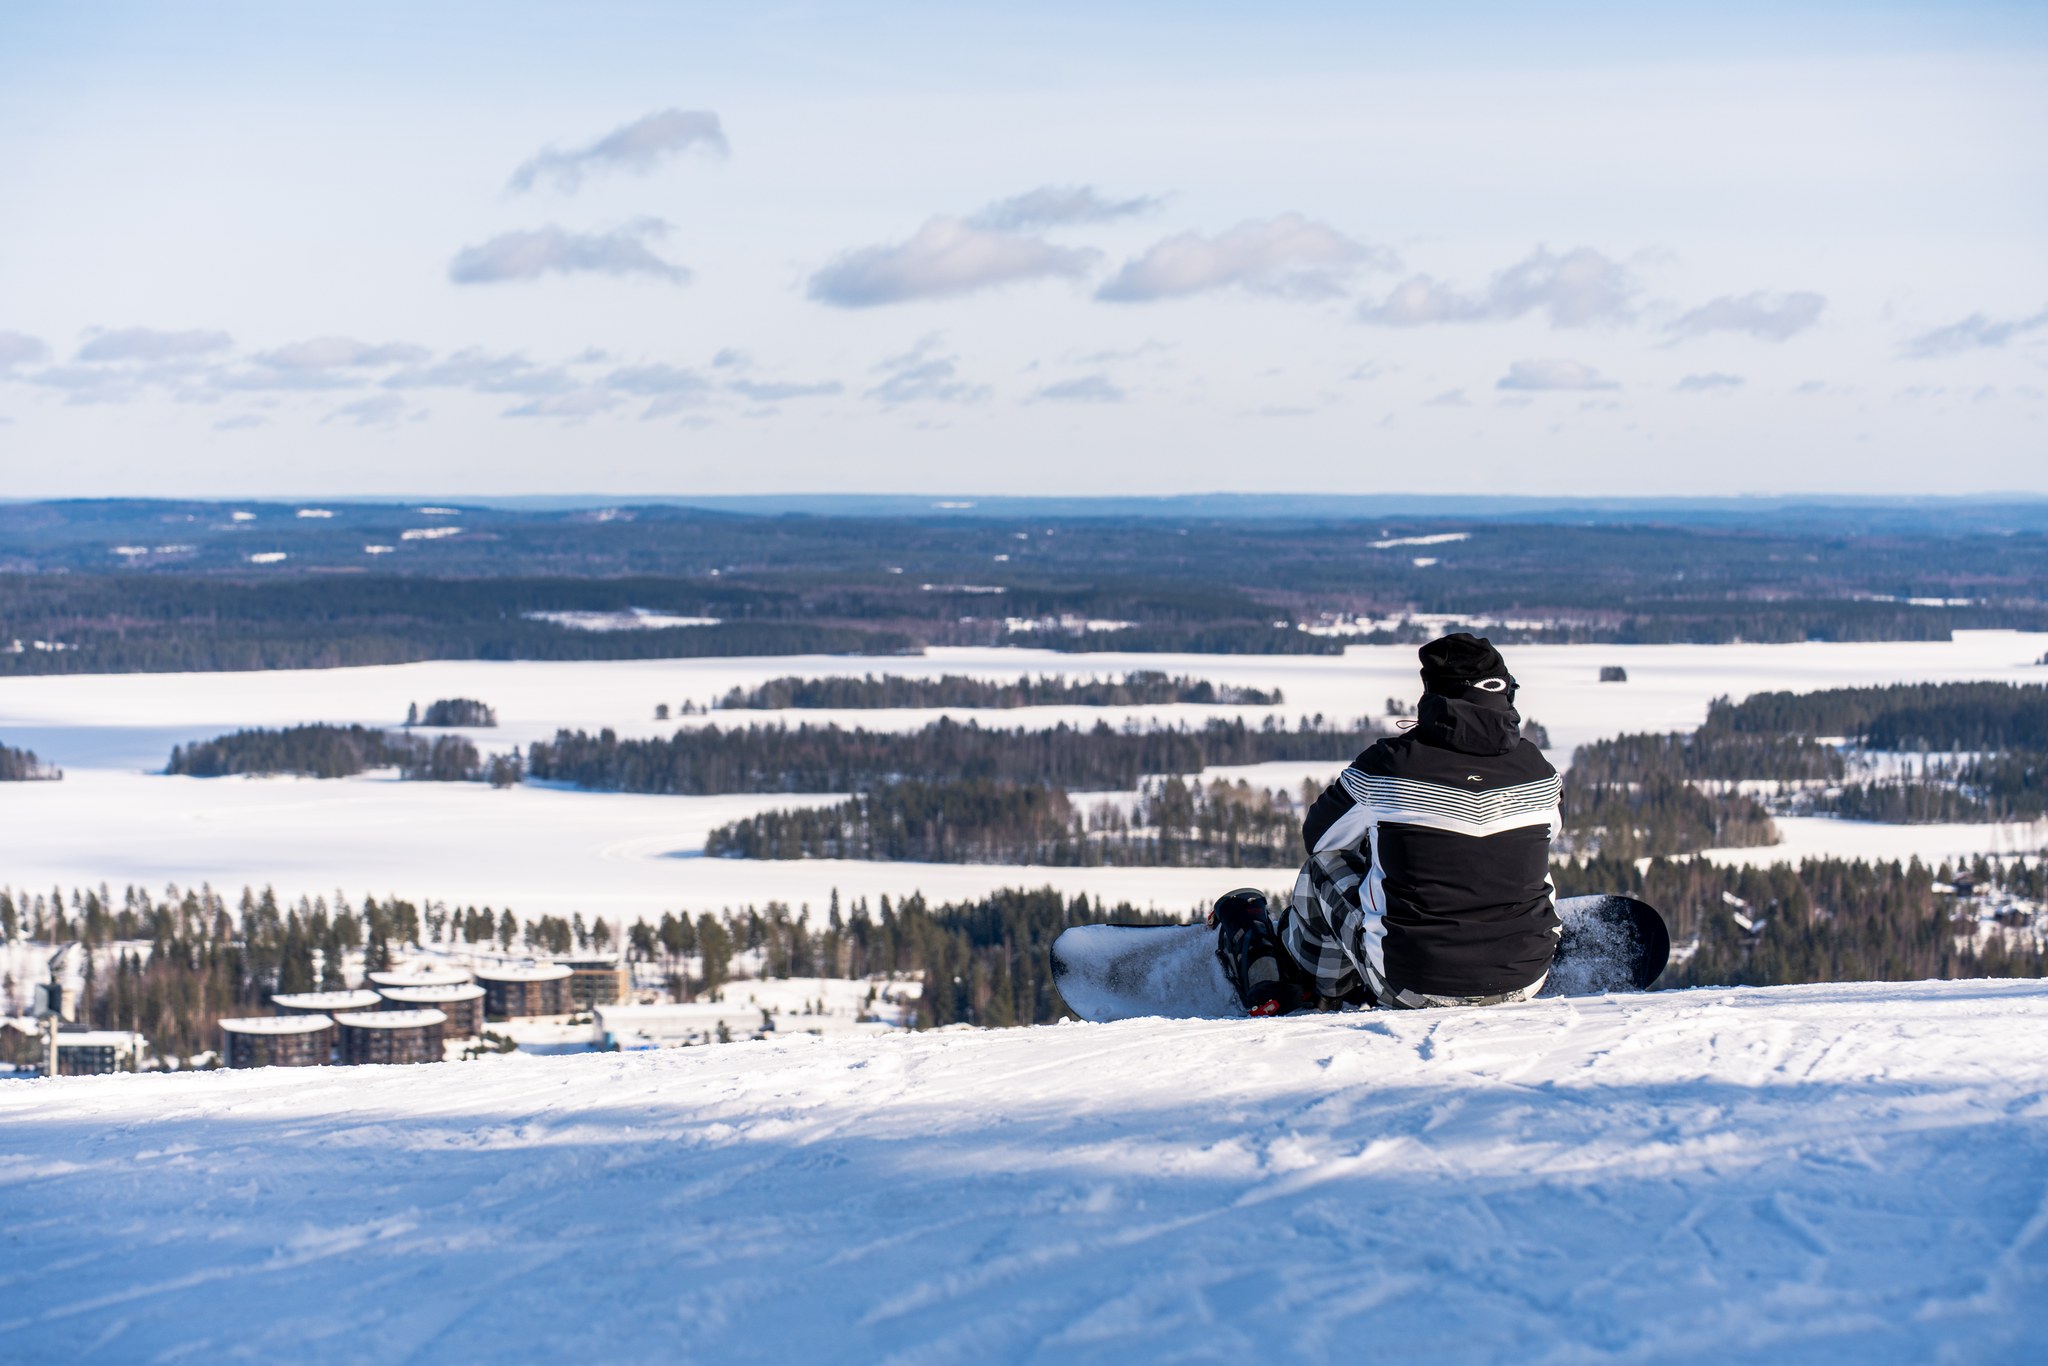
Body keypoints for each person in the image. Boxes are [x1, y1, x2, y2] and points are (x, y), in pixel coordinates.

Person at [1212, 632, 1561, 1013]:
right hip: (1527, 980)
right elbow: (1546, 836)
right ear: (1506, 694)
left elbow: (1320, 838)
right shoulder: (1539, 772)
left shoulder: (1387, 766)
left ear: (1432, 694)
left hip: (1410, 984)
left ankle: (1320, 986)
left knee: (1322, 870)